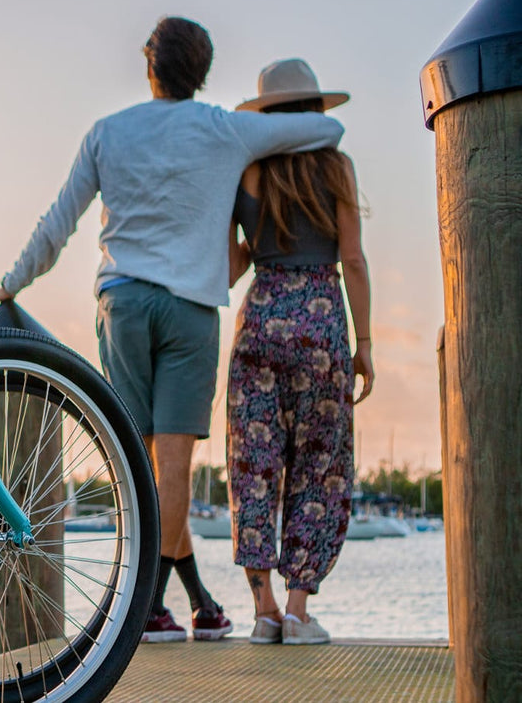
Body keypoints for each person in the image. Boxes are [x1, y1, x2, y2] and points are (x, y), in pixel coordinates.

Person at [0, 17, 345, 643]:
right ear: (201, 73)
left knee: (130, 461)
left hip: (122, 304)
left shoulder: (108, 132)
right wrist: (259, 131)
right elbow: (328, 127)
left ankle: (150, 604)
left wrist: (10, 284)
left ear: (150, 66)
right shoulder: (226, 130)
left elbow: (58, 224)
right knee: (170, 466)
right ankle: (153, 606)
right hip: (188, 311)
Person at [225, 58, 373, 646]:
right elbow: (354, 260)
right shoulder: (337, 167)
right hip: (322, 323)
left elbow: (231, 261)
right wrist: (367, 344)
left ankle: (261, 612)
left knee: (253, 463)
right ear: (313, 111)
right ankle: (297, 609)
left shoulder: (248, 169)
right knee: (320, 463)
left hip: (260, 316)